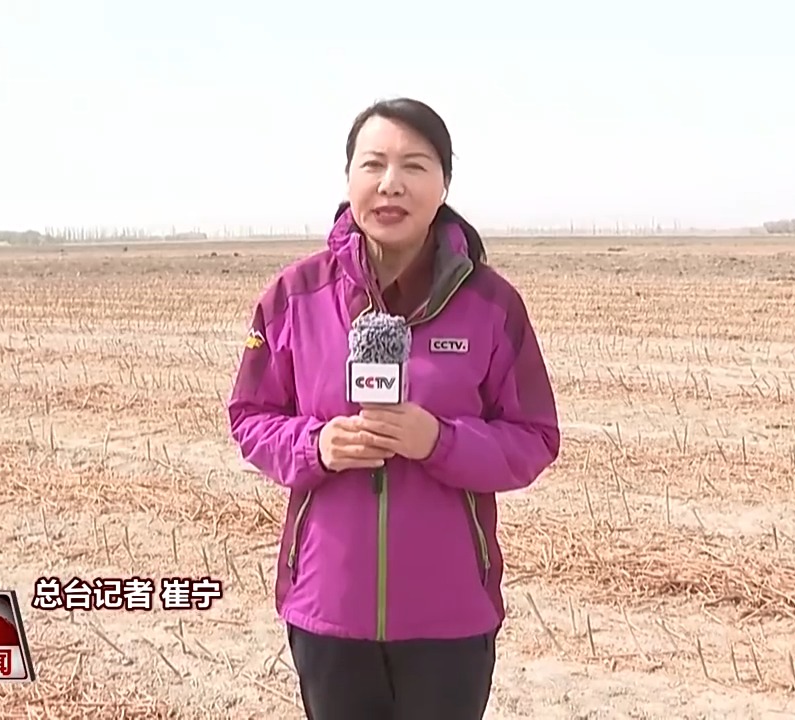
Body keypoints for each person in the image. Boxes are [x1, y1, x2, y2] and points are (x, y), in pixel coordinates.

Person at [227, 97, 560, 720]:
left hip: (450, 615)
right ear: (348, 177)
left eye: (414, 165)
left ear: (444, 183)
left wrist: (439, 440)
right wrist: (317, 445)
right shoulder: (294, 295)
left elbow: (534, 437)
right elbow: (250, 417)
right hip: (327, 606)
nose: (391, 183)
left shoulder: (491, 304)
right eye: (373, 163)